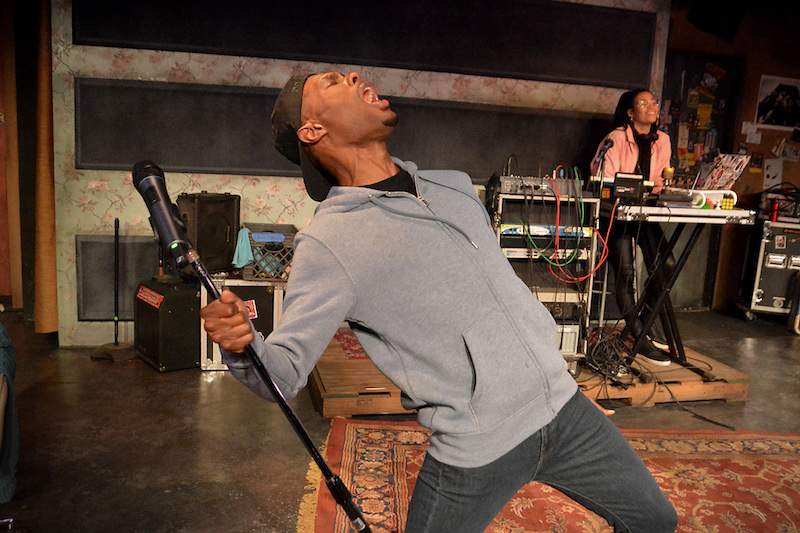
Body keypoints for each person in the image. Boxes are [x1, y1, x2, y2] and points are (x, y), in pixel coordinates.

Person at [201, 72, 678, 532]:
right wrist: (244, 346)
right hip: (477, 447)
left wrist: (551, 375)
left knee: (655, 520)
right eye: (333, 82)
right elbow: (282, 375)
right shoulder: (331, 243)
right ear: (313, 130)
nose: (352, 76)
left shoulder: (451, 185)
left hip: (564, 408)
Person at [590, 89, 675, 366]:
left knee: (668, 264)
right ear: (630, 112)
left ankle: (644, 322)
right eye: (644, 102)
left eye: (654, 102)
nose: (652, 106)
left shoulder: (663, 140)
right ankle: (639, 336)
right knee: (626, 275)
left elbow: (662, 178)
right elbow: (602, 176)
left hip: (646, 215)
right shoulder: (616, 138)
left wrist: (667, 189)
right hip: (617, 216)